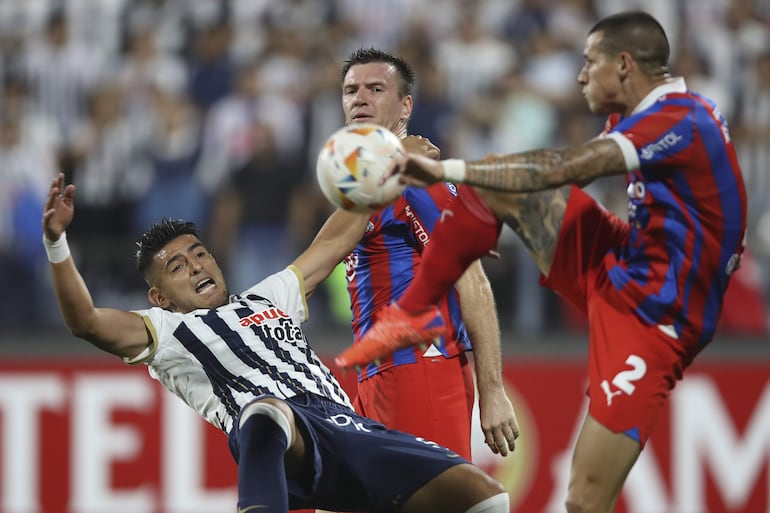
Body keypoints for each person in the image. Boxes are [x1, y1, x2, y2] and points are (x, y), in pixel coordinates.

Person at [336, 11, 748, 513]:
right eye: (350, 89)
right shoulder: (632, 116)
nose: (579, 76)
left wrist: (445, 170)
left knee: (581, 500)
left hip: (655, 318)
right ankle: (468, 232)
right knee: (503, 196)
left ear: (623, 65)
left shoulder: (683, 117)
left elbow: (568, 169)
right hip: (624, 263)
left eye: (589, 62)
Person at [41, 173, 510, 513]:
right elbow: (84, 321)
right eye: (178, 267)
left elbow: (333, 243)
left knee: (483, 496)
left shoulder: (269, 295)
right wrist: (57, 244)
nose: (198, 266)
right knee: (265, 410)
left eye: (199, 254)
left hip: (345, 427)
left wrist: (389, 172)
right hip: (278, 435)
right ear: (159, 297)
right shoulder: (165, 332)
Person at [292, 47, 519, 460]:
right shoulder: (374, 180)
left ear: (405, 105)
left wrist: (493, 390)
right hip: (378, 374)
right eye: (350, 90)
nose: (359, 98)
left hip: (420, 370)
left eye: (375, 89)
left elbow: (472, 281)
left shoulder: (417, 181)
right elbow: (321, 255)